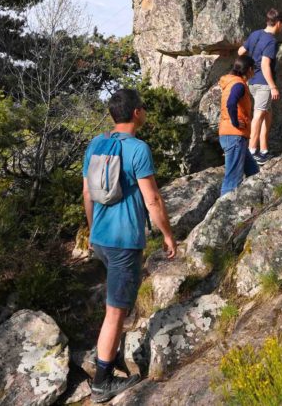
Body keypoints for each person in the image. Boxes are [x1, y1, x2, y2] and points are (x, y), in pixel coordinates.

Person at [81, 88, 177, 403]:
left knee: (118, 301)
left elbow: (87, 193)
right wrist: (167, 234)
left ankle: (115, 355)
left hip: (101, 238)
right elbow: (152, 198)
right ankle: (102, 381)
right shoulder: (137, 149)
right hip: (124, 241)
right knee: (116, 309)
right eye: (143, 108)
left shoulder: (96, 144)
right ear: (136, 112)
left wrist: (94, 228)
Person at [238, 8, 282, 165]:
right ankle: (252, 151)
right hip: (263, 84)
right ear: (278, 23)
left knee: (267, 114)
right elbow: (265, 64)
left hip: (251, 82)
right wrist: (273, 86)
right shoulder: (271, 41)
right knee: (258, 115)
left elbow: (241, 51)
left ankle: (264, 150)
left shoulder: (255, 34)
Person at [218, 55, 261, 195]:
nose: (253, 73)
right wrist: (235, 122)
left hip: (230, 135)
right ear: (249, 69)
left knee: (253, 171)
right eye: (253, 69)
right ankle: (223, 212)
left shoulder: (230, 82)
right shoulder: (238, 84)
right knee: (232, 179)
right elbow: (231, 103)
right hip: (234, 135)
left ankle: (255, 200)